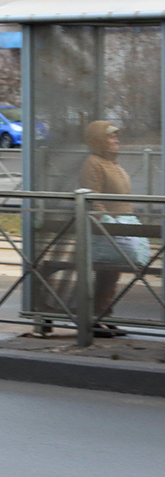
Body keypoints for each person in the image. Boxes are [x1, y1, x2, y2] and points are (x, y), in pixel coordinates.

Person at [79, 120, 133, 336]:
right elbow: (93, 197)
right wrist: (107, 222)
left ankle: (104, 315)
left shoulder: (112, 163)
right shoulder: (93, 163)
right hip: (105, 231)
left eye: (115, 136)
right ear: (99, 141)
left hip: (119, 229)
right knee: (105, 274)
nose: (115, 140)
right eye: (110, 137)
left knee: (111, 275)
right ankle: (95, 319)